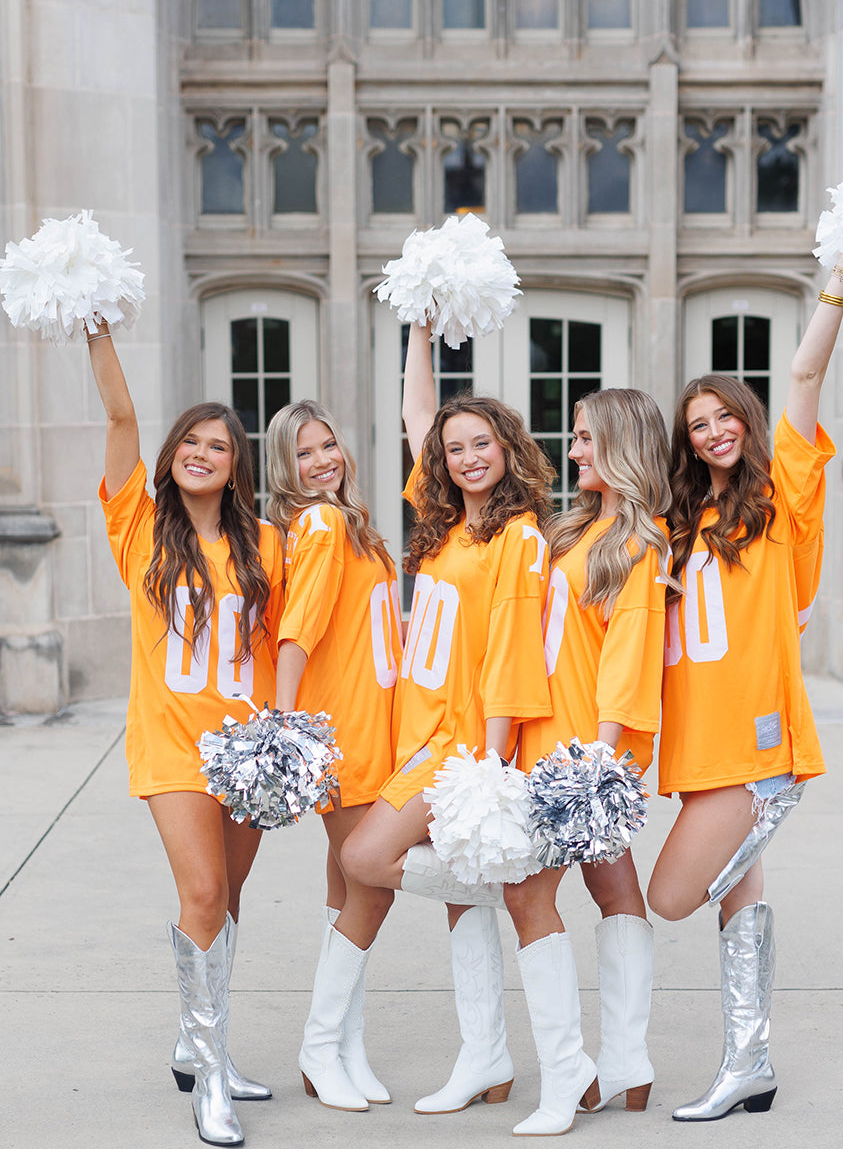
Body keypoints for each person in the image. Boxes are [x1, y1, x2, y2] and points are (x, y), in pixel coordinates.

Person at [646, 250, 843, 1121]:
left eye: (723, 416)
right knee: (740, 896)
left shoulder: (784, 500)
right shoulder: (678, 519)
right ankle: (750, 1065)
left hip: (754, 742)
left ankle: (749, 1056)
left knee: (669, 897)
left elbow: (806, 369)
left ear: (746, 418)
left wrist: (839, 277)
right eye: (697, 424)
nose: (712, 432)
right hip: (698, 748)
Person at [339, 319, 556, 1125]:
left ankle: (510, 890)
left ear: (507, 451)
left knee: (365, 856)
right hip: (416, 731)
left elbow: (509, 654)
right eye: (456, 447)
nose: (467, 456)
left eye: (482, 445)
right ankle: (485, 1056)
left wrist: (491, 770)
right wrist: (420, 329)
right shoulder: (440, 521)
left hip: (460, 746)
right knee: (461, 909)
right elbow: (416, 418)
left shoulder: (518, 535)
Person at [86, 320, 284, 1147]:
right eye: (190, 442)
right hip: (171, 744)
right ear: (171, 456)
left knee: (227, 903)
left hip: (247, 751)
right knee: (202, 893)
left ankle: (200, 1041)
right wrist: (96, 330)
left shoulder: (267, 543)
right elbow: (121, 420)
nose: (201, 452)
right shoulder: (139, 527)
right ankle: (211, 1076)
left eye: (219, 445)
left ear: (238, 465)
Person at [504, 388, 674, 1134]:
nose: (572, 452)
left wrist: (598, 768)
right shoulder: (576, 530)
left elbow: (629, 660)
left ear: (620, 445)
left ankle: (569, 1074)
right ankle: (630, 1065)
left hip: (580, 754)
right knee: (613, 889)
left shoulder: (640, 542)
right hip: (547, 740)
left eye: (583, 440)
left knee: (525, 897)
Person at [265, 400, 402, 1112]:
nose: (323, 462)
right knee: (370, 888)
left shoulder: (348, 524)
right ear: (286, 469)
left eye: (328, 446)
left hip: (371, 724)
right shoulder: (320, 524)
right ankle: (322, 1044)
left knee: (345, 887)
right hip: (344, 732)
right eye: (304, 454)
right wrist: (288, 731)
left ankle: (344, 1047)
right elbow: (297, 634)